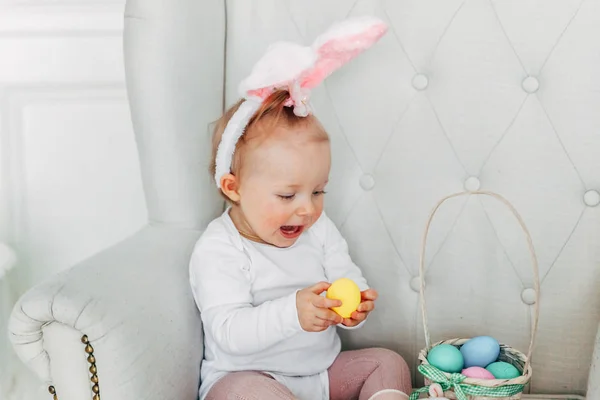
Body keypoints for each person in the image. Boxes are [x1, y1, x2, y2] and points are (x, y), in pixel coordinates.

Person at [189, 16, 412, 400]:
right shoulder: (219, 249)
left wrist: (353, 305)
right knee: (247, 394)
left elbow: (346, 274)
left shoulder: (319, 229)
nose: (307, 210)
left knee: (388, 363)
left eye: (318, 191)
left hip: (321, 375)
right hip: (247, 376)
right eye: (288, 196)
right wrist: (293, 312)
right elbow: (229, 332)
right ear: (233, 187)